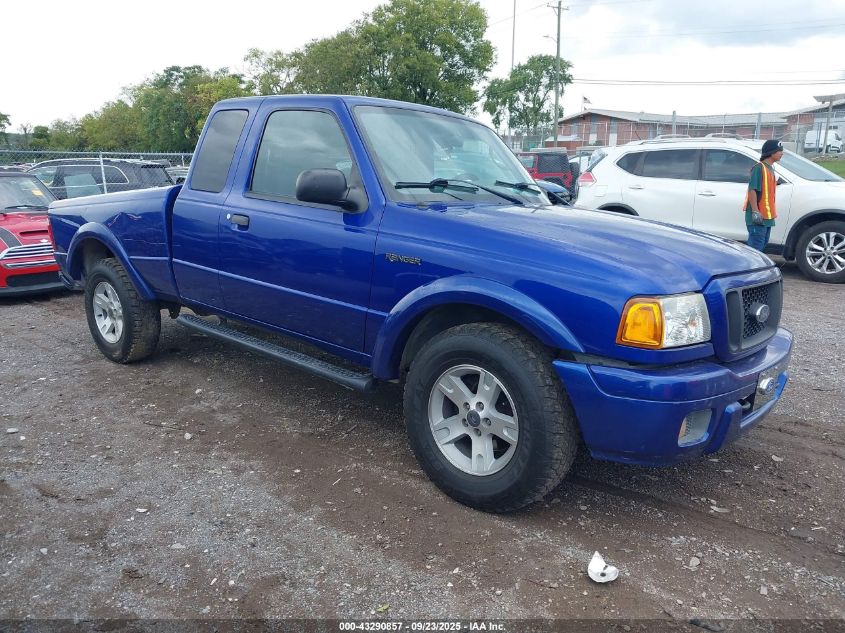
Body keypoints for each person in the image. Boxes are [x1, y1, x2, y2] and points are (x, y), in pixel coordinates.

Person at [744, 139, 784, 252]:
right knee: (755, 249)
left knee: (761, 245)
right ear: (771, 152)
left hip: (767, 216)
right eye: (779, 151)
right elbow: (752, 190)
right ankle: (751, 269)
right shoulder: (759, 168)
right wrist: (755, 212)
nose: (782, 153)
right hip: (759, 217)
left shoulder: (770, 169)